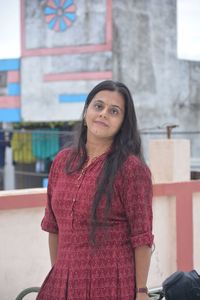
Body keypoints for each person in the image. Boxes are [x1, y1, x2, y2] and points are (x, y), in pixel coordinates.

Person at [36, 80, 154, 300]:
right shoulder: (62, 162)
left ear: (122, 124)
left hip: (111, 285)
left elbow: (142, 237)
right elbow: (53, 226)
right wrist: (61, 272)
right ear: (86, 112)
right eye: (98, 106)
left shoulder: (131, 169)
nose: (104, 114)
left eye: (114, 111)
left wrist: (141, 291)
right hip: (63, 281)